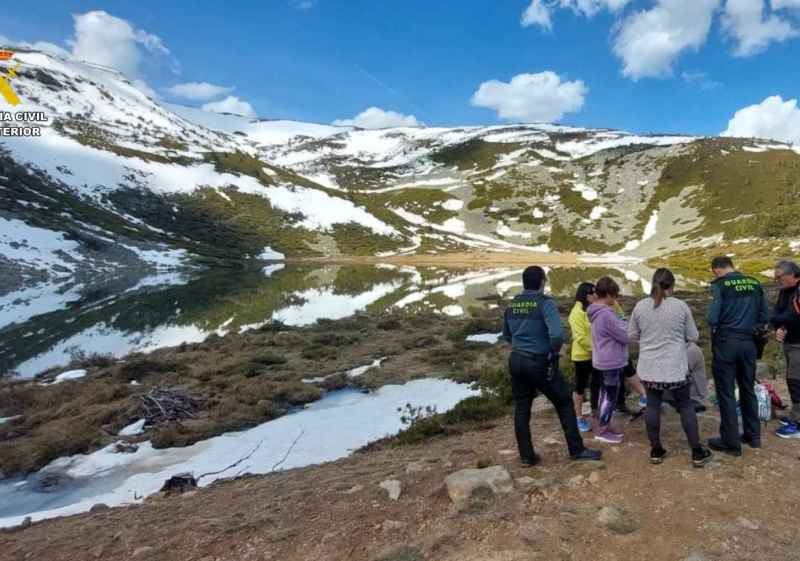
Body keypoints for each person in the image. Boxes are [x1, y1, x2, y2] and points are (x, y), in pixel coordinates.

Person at [502, 266, 602, 465]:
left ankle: (527, 456)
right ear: (541, 281)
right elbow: (556, 335)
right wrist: (553, 352)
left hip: (516, 359)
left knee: (522, 408)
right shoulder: (545, 303)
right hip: (538, 360)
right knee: (564, 403)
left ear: (524, 282)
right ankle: (577, 449)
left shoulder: (512, 305)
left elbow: (506, 335)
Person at [629, 268, 714, 467]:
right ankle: (697, 452)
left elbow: (630, 335)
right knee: (685, 406)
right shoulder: (681, 306)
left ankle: (656, 450)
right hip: (675, 366)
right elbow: (693, 336)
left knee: (652, 405)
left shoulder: (640, 306)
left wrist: (648, 340)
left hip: (649, 367)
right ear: (672, 285)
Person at [707, 256, 769, 455]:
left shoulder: (721, 285)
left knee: (725, 393)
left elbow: (712, 317)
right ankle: (753, 436)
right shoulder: (754, 282)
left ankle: (731, 442)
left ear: (717, 270)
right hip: (749, 343)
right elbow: (764, 316)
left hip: (727, 343)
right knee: (747, 388)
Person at [587, 277, 629, 444]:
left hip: (602, 358)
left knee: (605, 394)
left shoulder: (595, 311)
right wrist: (624, 322)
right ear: (610, 294)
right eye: (615, 295)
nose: (616, 299)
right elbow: (625, 336)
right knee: (610, 396)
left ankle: (604, 425)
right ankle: (603, 430)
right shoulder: (606, 314)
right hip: (611, 360)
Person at [770, 260, 800, 438]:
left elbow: (794, 315)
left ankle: (798, 425)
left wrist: (781, 321)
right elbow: (776, 314)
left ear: (792, 275)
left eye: (779, 277)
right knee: (792, 380)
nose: (777, 280)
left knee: (796, 381)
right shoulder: (784, 292)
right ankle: (796, 415)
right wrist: (779, 328)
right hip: (790, 341)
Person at [569, 282, 597, 432]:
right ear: (585, 295)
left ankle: (596, 411)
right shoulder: (577, 312)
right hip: (582, 356)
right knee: (580, 387)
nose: (595, 295)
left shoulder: (591, 309)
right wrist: (596, 349)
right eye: (592, 293)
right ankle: (578, 417)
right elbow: (580, 337)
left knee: (597, 384)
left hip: (595, 354)